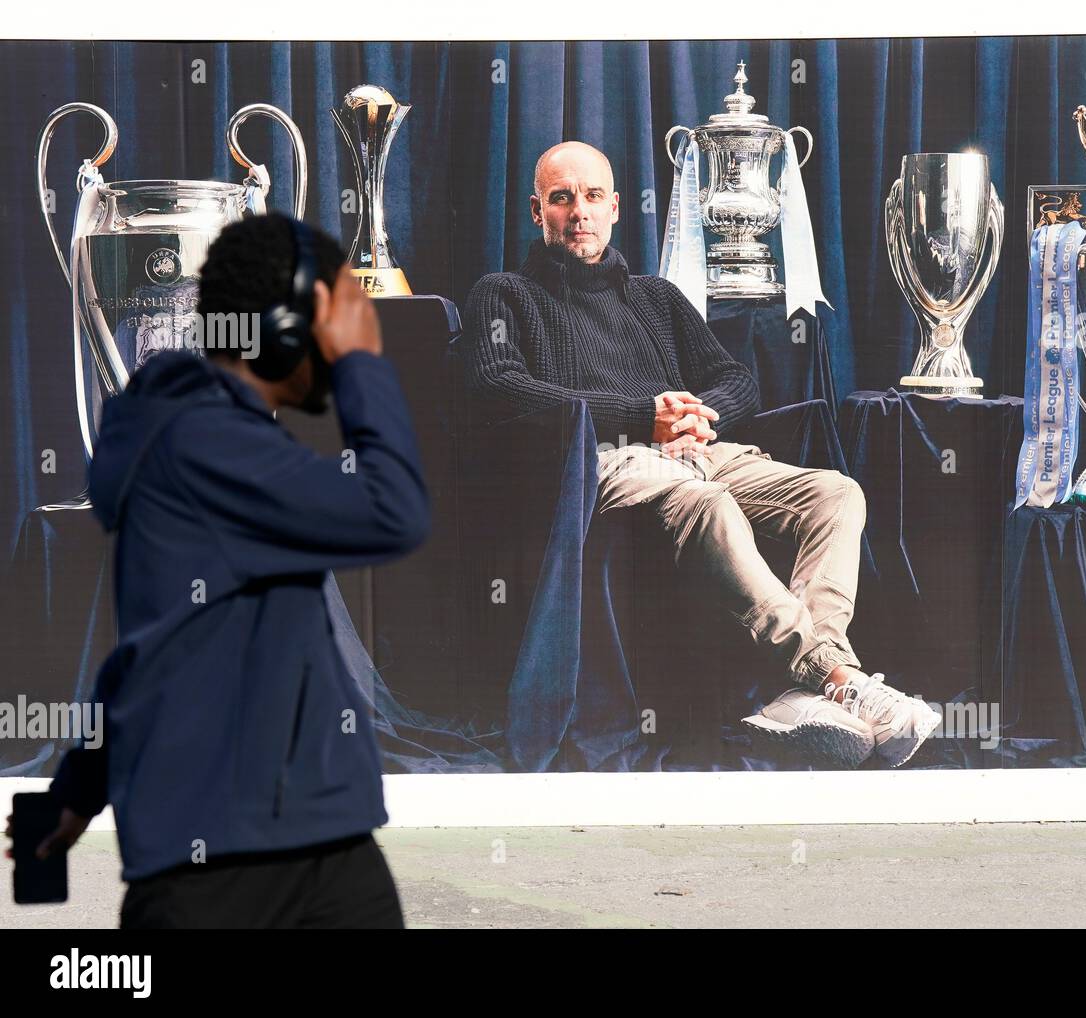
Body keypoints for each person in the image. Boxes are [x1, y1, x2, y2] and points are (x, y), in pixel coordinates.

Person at [4, 214, 429, 927]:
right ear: (288, 327)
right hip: (225, 864)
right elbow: (395, 512)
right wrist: (362, 363)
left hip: (321, 842)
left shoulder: (193, 437)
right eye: (337, 318)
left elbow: (161, 648)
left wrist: (76, 789)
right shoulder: (205, 444)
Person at [462, 141, 941, 768]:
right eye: (561, 198)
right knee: (706, 502)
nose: (578, 210)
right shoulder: (502, 294)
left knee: (835, 494)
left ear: (615, 209)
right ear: (536, 211)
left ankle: (802, 694)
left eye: (592, 196)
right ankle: (833, 677)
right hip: (601, 459)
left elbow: (736, 378)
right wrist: (644, 418)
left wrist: (692, 414)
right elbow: (500, 386)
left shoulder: (656, 297)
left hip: (694, 449)